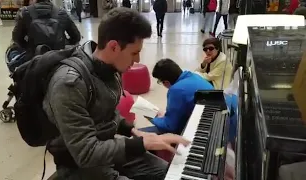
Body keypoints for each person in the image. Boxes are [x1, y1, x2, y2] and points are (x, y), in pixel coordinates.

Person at [43, 7, 189, 180]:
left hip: (106, 149)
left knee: (171, 173)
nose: (138, 61)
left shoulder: (110, 69)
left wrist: (133, 131)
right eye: (134, 53)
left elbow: (106, 111)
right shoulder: (69, 85)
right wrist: (141, 143)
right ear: (113, 47)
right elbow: (86, 153)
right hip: (79, 164)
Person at [140, 58, 214, 135]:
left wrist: (152, 117)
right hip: (212, 123)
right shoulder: (195, 76)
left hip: (198, 132)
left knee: (138, 136)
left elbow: (169, 127)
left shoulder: (176, 90)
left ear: (166, 82)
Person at [12, 0, 81, 61]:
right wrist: (63, 43)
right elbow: (76, 36)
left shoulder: (26, 13)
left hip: (35, 59)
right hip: (59, 58)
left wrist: (29, 48)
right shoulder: (61, 12)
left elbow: (16, 37)